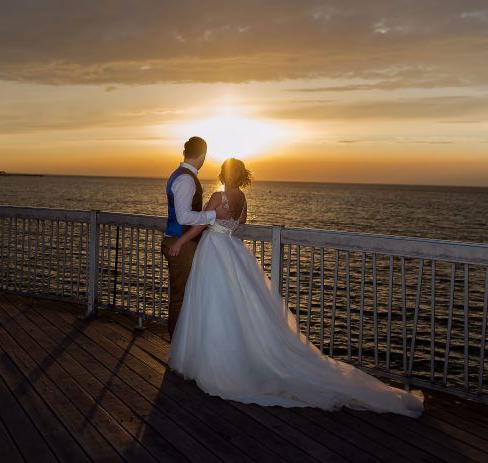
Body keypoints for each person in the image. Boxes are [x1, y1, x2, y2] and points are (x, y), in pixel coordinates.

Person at [166, 158, 424, 416]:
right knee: (233, 304)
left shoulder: (218, 195)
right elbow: (241, 223)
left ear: (224, 173)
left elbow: (200, 225)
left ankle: (217, 362)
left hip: (214, 248)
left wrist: (180, 242)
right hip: (232, 249)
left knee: (213, 303)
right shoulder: (242, 197)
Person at [161, 137, 231, 338]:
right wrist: (214, 215)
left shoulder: (180, 175)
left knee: (183, 295)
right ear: (202, 155)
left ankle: (181, 344)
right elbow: (184, 216)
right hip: (181, 244)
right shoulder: (186, 179)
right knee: (180, 297)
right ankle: (176, 347)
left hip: (179, 241)